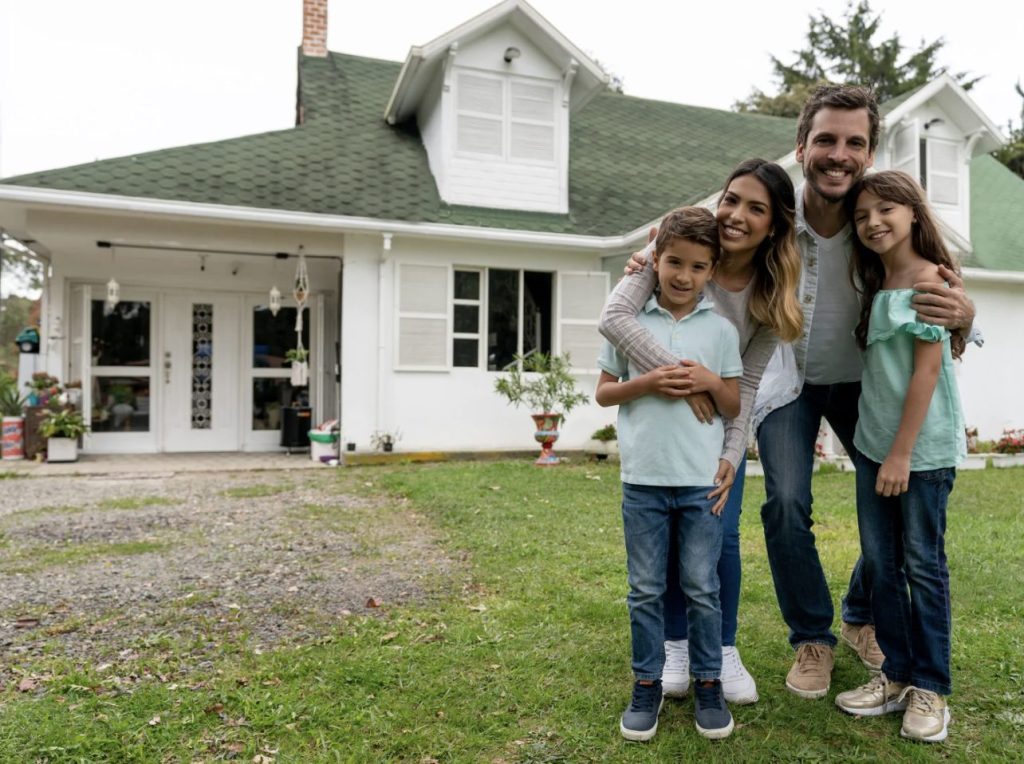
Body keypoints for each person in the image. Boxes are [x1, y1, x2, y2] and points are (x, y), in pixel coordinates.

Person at [751, 84, 976, 699]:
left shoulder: (878, 224)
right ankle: (813, 640)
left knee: (890, 509)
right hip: (788, 385)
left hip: (865, 388)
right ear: (802, 147)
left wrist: (965, 313)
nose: (838, 154)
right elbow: (714, 225)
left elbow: (936, 286)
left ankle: (860, 615)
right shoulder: (775, 215)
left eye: (855, 142)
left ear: (870, 153)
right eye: (826, 139)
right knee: (787, 504)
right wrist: (646, 255)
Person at [599, 158, 803, 705]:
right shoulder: (675, 248)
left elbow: (751, 384)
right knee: (663, 543)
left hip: (729, 415)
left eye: (755, 208)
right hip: (679, 416)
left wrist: (733, 457)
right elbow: (615, 321)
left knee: (723, 530)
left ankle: (724, 648)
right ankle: (674, 646)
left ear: (776, 224)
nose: (735, 214)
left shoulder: (770, 292)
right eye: (731, 198)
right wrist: (685, 380)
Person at [596, 206, 742, 741]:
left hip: (701, 483)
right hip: (643, 482)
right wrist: (648, 383)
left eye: (698, 266)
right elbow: (604, 391)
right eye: (674, 262)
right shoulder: (632, 325)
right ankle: (646, 684)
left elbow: (731, 404)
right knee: (645, 589)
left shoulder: (721, 331)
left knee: (703, 587)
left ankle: (708, 683)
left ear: (712, 270)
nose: (683, 276)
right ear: (655, 260)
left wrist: (706, 378)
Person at [833, 170, 965, 743]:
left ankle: (930, 687)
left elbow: (927, 373)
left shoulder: (932, 281)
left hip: (919, 453)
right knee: (880, 564)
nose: (872, 222)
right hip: (873, 445)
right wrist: (880, 452)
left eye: (885, 210)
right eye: (861, 216)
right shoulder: (878, 278)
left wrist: (901, 455)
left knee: (922, 565)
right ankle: (894, 674)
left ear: (914, 212)